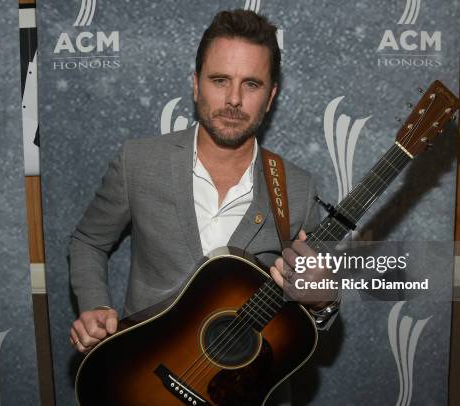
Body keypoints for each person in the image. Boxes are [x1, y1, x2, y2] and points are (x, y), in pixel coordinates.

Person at [68, 9, 339, 354]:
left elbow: (311, 313)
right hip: (141, 373)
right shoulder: (138, 162)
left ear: (270, 97)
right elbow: (89, 240)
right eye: (220, 80)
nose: (234, 100)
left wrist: (324, 300)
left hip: (245, 384)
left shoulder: (296, 190)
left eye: (251, 84)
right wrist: (94, 305)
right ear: (196, 85)